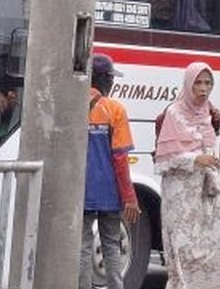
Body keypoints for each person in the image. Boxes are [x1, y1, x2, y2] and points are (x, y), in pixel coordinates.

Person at [154, 62, 220, 288]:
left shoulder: (209, 112)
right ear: (188, 84)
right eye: (198, 83)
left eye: (208, 83)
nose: (203, 88)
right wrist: (196, 160)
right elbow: (164, 159)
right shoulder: (174, 113)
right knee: (186, 253)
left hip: (206, 192)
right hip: (180, 195)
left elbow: (206, 145)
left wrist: (208, 161)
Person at [79, 54, 139, 289]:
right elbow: (120, 158)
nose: (113, 83)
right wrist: (130, 197)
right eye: (111, 78)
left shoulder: (74, 106)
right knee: (111, 245)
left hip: (81, 189)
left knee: (83, 245)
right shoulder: (115, 110)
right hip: (109, 191)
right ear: (104, 79)